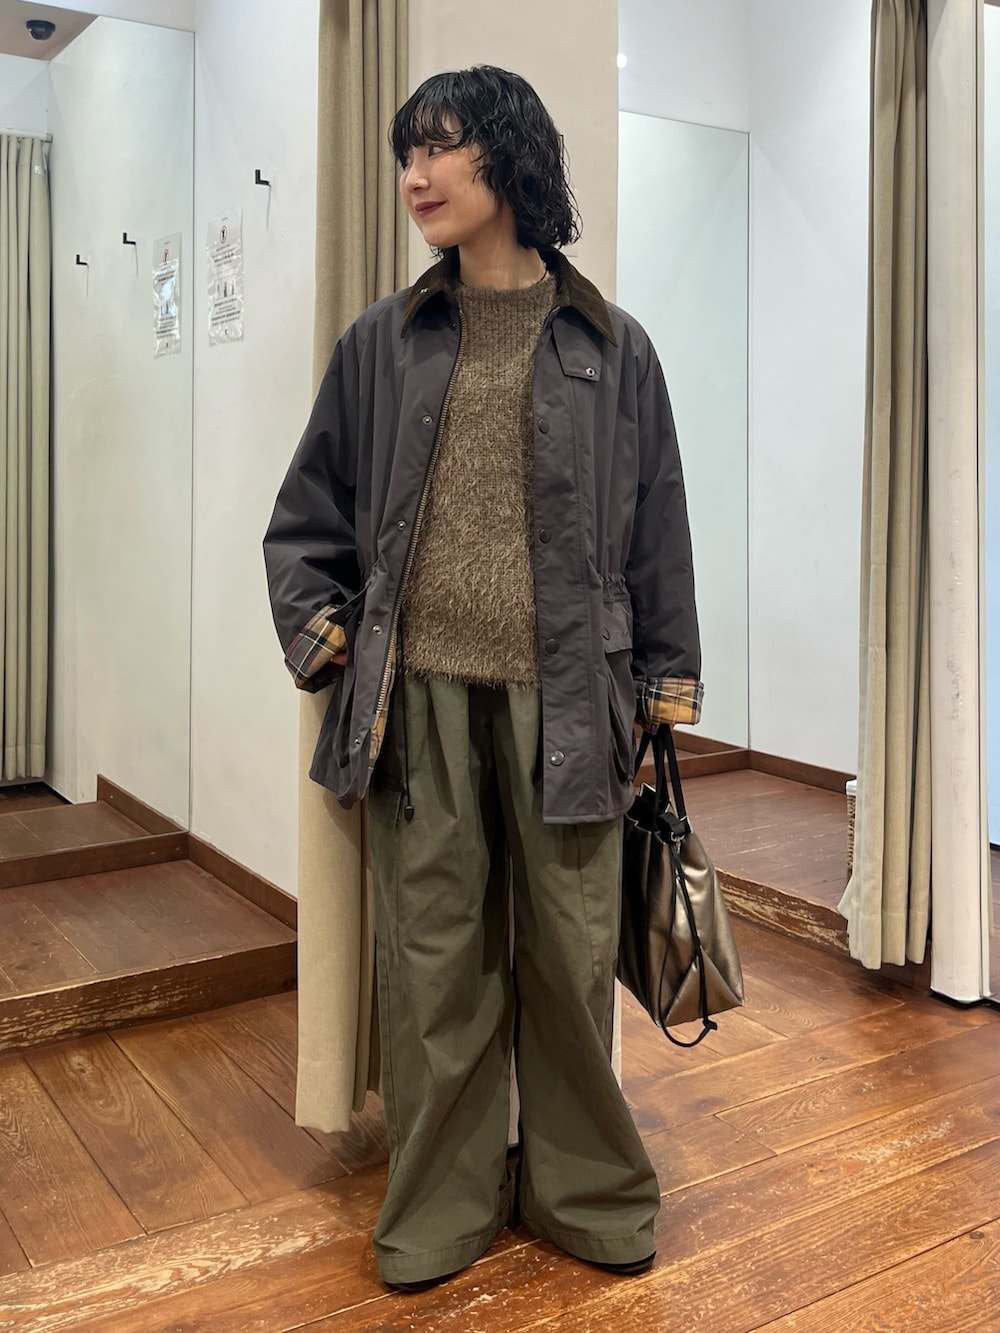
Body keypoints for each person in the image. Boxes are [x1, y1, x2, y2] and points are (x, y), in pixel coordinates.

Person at [264, 65, 702, 1292]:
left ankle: (589, 1191)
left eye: (440, 149)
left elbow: (658, 529)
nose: (415, 177)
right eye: (407, 154)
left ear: (508, 160)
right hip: (421, 709)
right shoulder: (381, 343)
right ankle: (438, 1205)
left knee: (569, 959)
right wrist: (325, 634)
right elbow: (305, 519)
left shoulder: (613, 347)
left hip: (572, 703)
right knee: (434, 969)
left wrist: (666, 682)